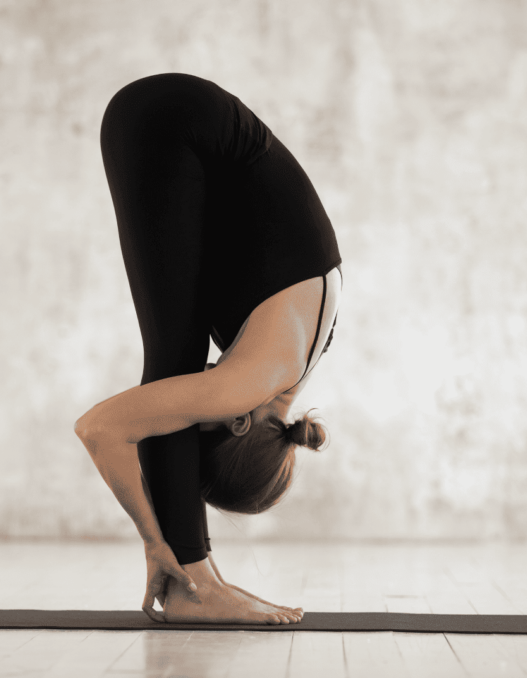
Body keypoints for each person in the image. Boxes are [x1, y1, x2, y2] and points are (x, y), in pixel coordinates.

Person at [75, 73, 342, 625]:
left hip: (177, 119)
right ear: (238, 423)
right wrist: (155, 542)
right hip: (168, 122)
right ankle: (192, 583)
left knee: (176, 354)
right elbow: (100, 427)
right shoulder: (248, 383)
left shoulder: (300, 354)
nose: (196, 401)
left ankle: (201, 580)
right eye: (202, 420)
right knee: (171, 363)